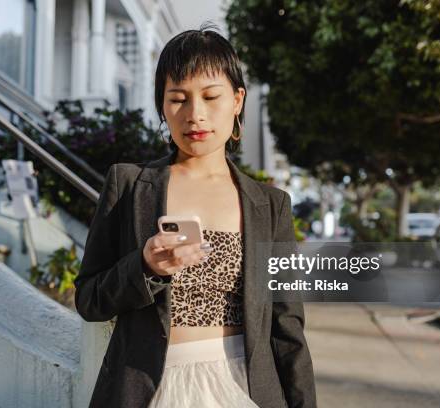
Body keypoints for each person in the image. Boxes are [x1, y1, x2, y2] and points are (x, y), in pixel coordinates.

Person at [74, 23, 316, 408]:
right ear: (162, 105)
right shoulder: (130, 185)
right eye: (178, 98)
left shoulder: (271, 206)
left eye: (210, 96)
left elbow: (287, 329)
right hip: (149, 390)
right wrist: (145, 266)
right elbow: (89, 299)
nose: (194, 114)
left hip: (244, 388)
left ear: (237, 101)